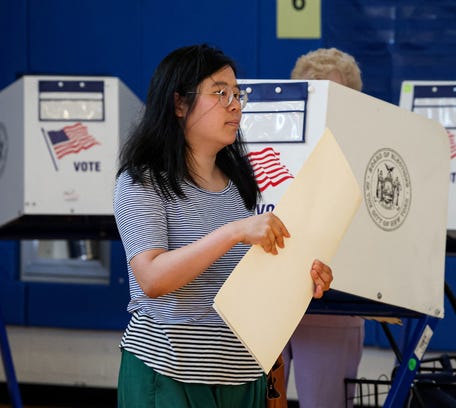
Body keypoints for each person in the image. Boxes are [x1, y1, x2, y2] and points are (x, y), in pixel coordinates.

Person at [113, 43, 334, 408]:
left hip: (242, 376)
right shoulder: (142, 181)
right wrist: (234, 232)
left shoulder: (240, 185)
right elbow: (151, 278)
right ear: (179, 104)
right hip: (168, 374)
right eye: (219, 93)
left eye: (237, 93)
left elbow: (252, 284)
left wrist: (303, 278)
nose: (235, 104)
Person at [282, 47, 365, 408]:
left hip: (335, 296)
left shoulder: (368, 152)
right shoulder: (272, 147)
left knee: (325, 403)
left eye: (336, 96)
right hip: (271, 295)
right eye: (314, 94)